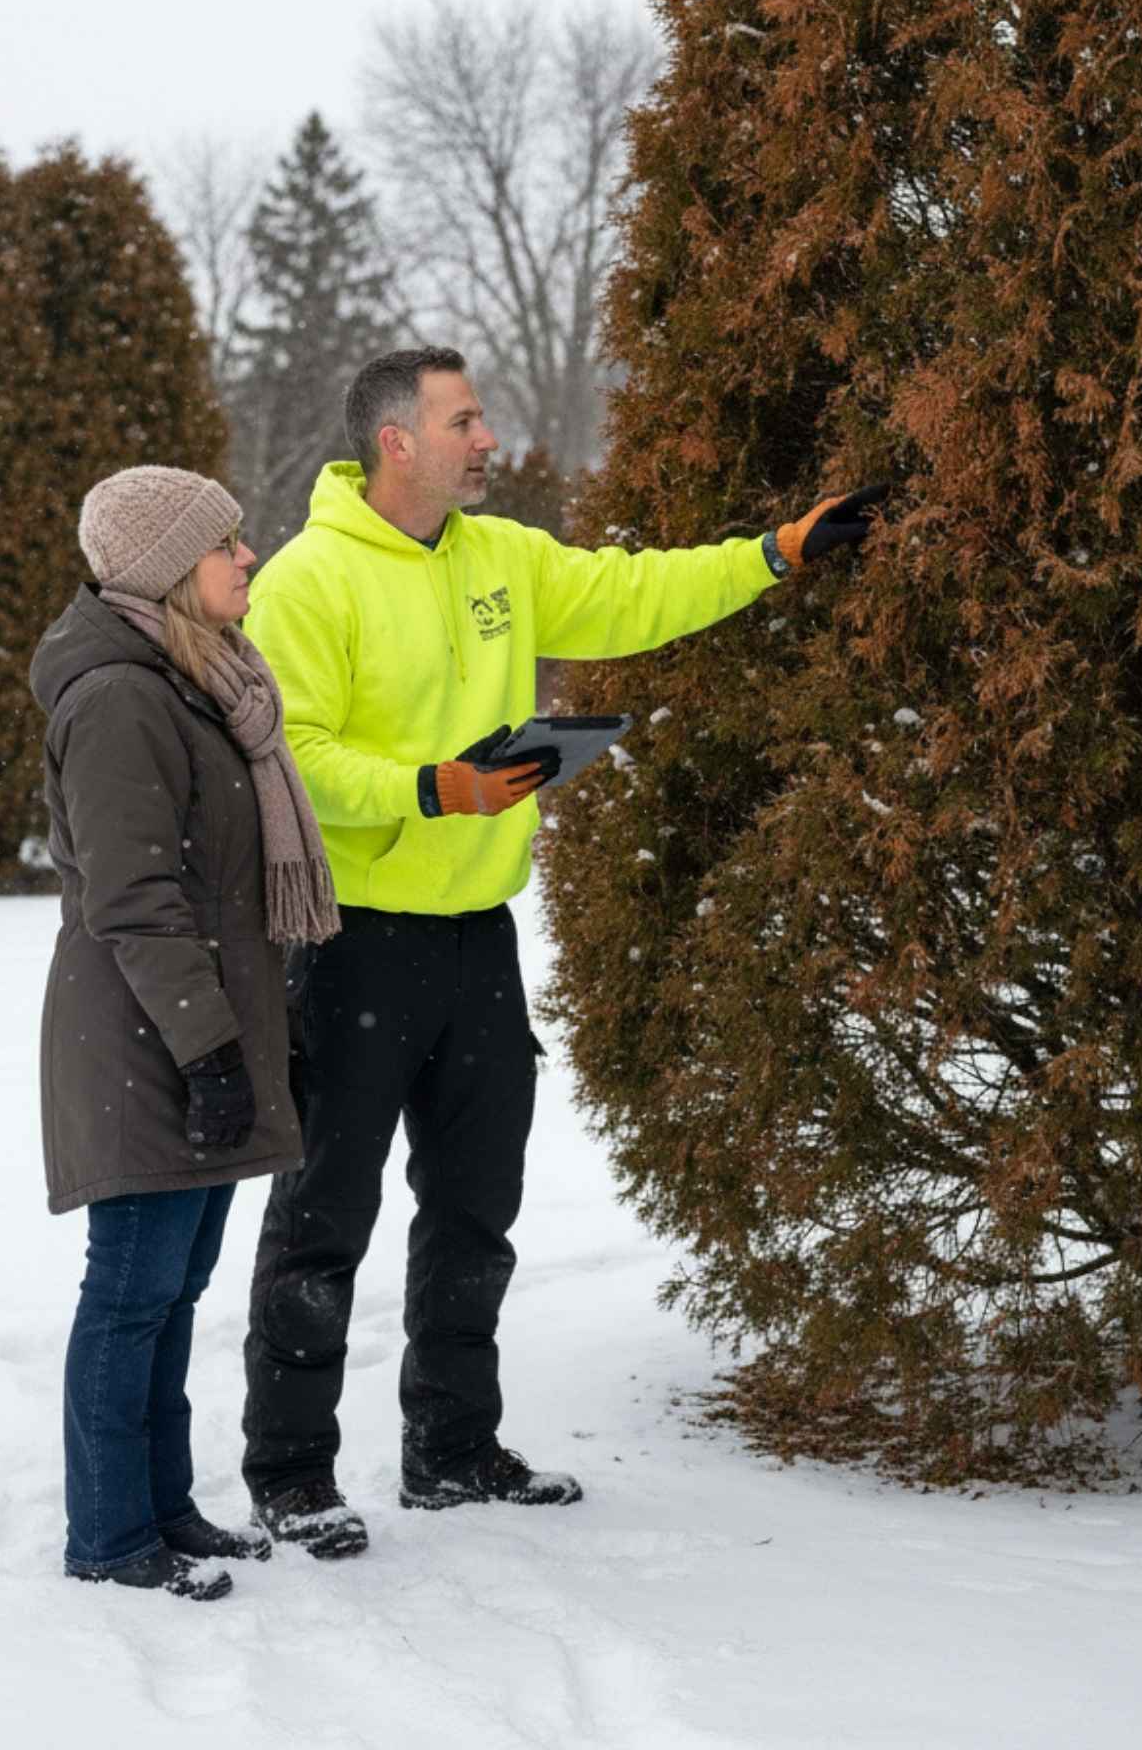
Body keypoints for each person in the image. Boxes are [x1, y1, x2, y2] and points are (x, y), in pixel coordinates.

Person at [238, 345, 882, 1557]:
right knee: (323, 1216)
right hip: (354, 943)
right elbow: (293, 760)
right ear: (395, 441)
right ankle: (289, 1469)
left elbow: (632, 595)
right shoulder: (308, 580)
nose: (486, 438)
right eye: (463, 420)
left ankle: (450, 1446)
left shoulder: (502, 556)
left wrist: (772, 552)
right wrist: (436, 786)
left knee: (475, 1208)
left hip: (477, 941)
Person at [30, 465, 339, 1600]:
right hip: (143, 1038)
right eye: (226, 543)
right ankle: (110, 1536)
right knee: (130, 1291)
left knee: (173, 1289)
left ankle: (163, 1507)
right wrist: (208, 1052)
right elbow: (135, 902)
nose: (249, 556)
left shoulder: (197, 677)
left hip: (194, 1026)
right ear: (168, 569)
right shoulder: (122, 697)